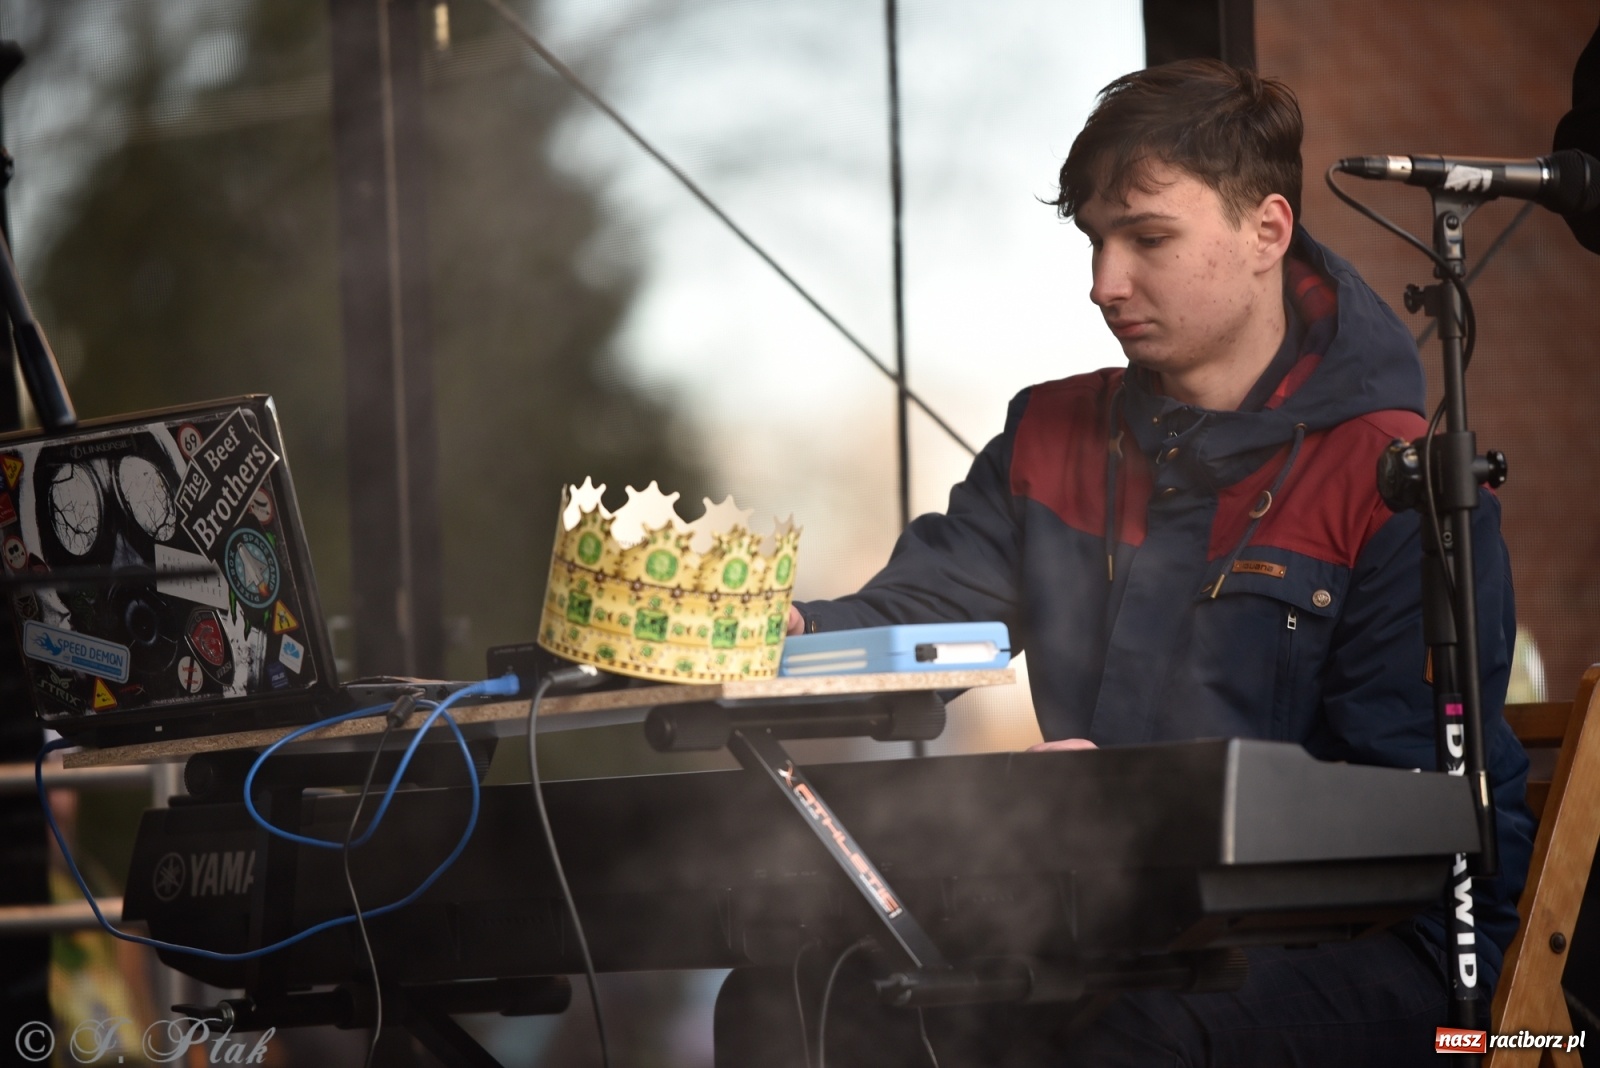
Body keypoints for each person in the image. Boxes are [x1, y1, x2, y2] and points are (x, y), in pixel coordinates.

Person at [781, 58, 1534, 1065]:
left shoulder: (1396, 478)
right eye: (1094, 241)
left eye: (1148, 239)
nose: (1104, 284)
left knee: (1132, 1041)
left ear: (1266, 231)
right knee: (808, 999)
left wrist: (1147, 805)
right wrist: (787, 633)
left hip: (1399, 959)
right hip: (1127, 929)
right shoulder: (1047, 434)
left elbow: (1410, 823)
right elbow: (923, 611)